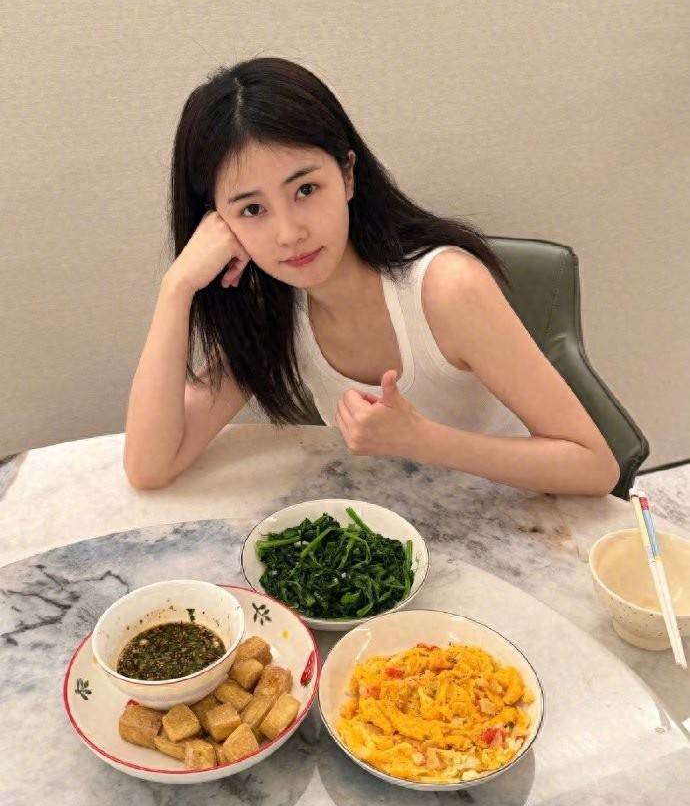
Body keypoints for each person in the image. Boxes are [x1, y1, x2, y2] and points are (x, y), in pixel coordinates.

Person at [124, 57, 619, 496]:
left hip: (516, 520)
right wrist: (176, 289)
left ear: (347, 175)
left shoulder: (446, 288)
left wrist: (422, 441)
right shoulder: (271, 308)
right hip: (397, 525)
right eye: (252, 209)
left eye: (305, 189)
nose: (289, 234)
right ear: (219, 224)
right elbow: (150, 466)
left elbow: (595, 466)